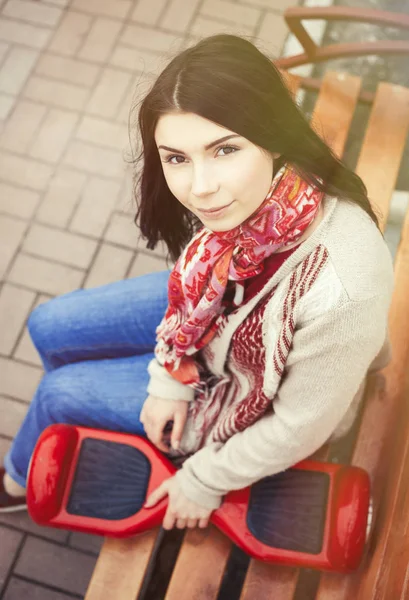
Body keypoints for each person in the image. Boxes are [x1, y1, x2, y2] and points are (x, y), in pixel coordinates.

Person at [0, 34, 394, 532]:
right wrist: (168, 376)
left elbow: (300, 426)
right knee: (49, 325)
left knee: (59, 393)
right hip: (219, 330)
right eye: (177, 158)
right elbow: (196, 293)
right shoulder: (263, 198)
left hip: (252, 392)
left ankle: (17, 480)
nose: (200, 188)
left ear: (272, 136)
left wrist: (204, 480)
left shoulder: (341, 287)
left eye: (224, 149)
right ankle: (95, 429)